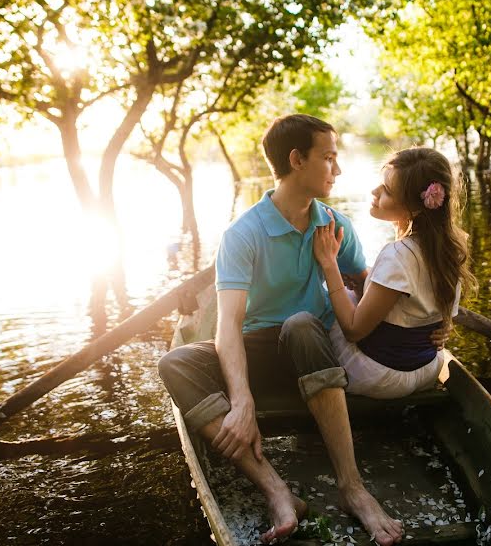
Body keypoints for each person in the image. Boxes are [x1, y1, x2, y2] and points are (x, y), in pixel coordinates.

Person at [157, 114, 405, 545]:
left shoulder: (336, 227)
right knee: (174, 362)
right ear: (296, 160)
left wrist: (426, 328)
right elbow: (229, 324)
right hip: (258, 350)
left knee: (303, 323)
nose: (338, 169)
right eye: (328, 158)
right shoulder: (243, 233)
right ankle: (277, 490)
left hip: (315, 353)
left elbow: (369, 289)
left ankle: (353, 487)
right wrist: (242, 400)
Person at [313, 147, 474, 399]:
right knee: (351, 293)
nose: (375, 192)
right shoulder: (450, 248)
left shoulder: (398, 254)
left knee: (327, 302)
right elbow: (439, 318)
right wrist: (359, 287)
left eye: (387, 191)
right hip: (429, 368)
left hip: (382, 377)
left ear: (414, 208)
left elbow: (353, 331)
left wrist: (329, 264)